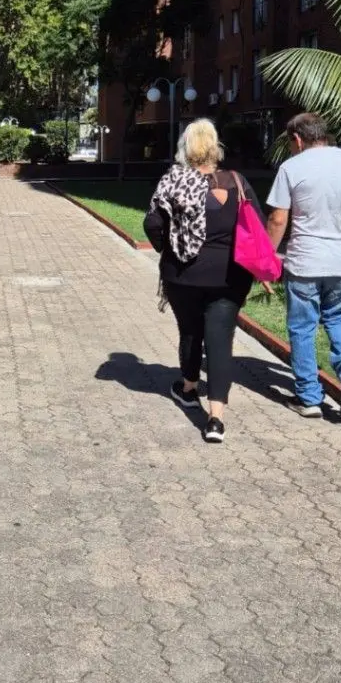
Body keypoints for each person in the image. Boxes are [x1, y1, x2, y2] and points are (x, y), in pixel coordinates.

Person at [144, 118, 265, 443]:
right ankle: (215, 419)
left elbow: (153, 224)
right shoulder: (237, 181)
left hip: (183, 274)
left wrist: (168, 247)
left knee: (190, 331)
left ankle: (188, 388)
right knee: (220, 339)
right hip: (230, 276)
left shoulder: (172, 181)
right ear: (215, 147)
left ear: (185, 147)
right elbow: (257, 224)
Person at [266, 112, 341, 418]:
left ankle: (309, 398)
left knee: (302, 328)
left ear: (297, 139)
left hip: (305, 263)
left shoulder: (291, 167)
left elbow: (278, 219)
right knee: (339, 318)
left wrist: (266, 258)